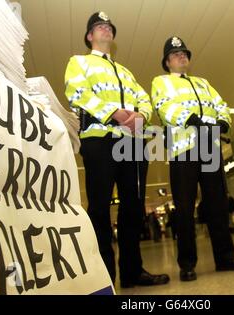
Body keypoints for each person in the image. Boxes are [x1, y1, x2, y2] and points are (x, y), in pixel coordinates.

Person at [64, 11, 169, 288]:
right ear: (89, 36)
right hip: (99, 139)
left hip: (132, 143)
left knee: (133, 208)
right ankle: (105, 276)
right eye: (99, 26)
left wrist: (142, 117)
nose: (105, 29)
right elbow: (76, 92)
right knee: (99, 207)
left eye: (108, 26)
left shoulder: (125, 72)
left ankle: (133, 272)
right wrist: (115, 113)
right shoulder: (79, 62)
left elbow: (144, 99)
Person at [151, 36, 234, 281]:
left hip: (210, 147)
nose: (182, 57)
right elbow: (165, 107)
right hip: (183, 149)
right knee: (184, 208)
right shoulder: (161, 82)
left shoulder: (203, 83)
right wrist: (194, 119)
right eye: (176, 54)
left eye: (184, 53)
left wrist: (223, 121)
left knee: (217, 204)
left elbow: (221, 105)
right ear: (167, 62)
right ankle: (187, 264)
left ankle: (225, 258)